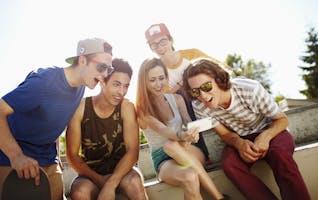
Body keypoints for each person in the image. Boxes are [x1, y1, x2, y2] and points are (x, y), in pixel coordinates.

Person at [0, 37, 114, 200]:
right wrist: (16, 156)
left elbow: (54, 120)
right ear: (82, 60)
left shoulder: (81, 87)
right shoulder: (43, 82)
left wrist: (56, 156)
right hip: (12, 157)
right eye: (102, 67)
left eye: (108, 70)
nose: (105, 75)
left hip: (47, 158)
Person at [182, 59, 311, 200]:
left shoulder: (250, 89)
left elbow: (282, 120)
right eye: (195, 91)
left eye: (207, 86)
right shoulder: (198, 105)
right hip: (240, 138)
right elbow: (224, 134)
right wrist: (239, 143)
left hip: (271, 130)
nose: (203, 96)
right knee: (230, 164)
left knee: (279, 154)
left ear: (218, 79)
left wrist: (265, 137)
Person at [136, 58, 227, 200]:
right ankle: (219, 197)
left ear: (167, 77)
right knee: (189, 175)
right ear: (144, 82)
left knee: (172, 145)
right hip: (164, 160)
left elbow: (188, 123)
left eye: (161, 78)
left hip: (189, 150)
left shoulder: (177, 99)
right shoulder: (142, 110)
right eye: (152, 80)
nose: (158, 84)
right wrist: (182, 136)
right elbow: (163, 130)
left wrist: (191, 134)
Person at [144, 23, 231, 162]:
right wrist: (182, 83)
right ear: (151, 48)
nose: (160, 47)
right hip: (185, 108)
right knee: (181, 95)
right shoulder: (159, 71)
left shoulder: (191, 54)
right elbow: (164, 98)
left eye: (163, 41)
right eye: (154, 45)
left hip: (208, 98)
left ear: (171, 40)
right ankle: (200, 152)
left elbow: (221, 70)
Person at [66, 58, 148, 200]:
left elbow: (133, 151)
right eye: (116, 84)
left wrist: (110, 184)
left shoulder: (126, 107)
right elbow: (72, 155)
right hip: (90, 174)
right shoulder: (80, 108)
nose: (121, 92)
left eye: (126, 86)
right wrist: (100, 181)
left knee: (134, 182)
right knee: (80, 192)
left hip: (122, 171)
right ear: (103, 82)